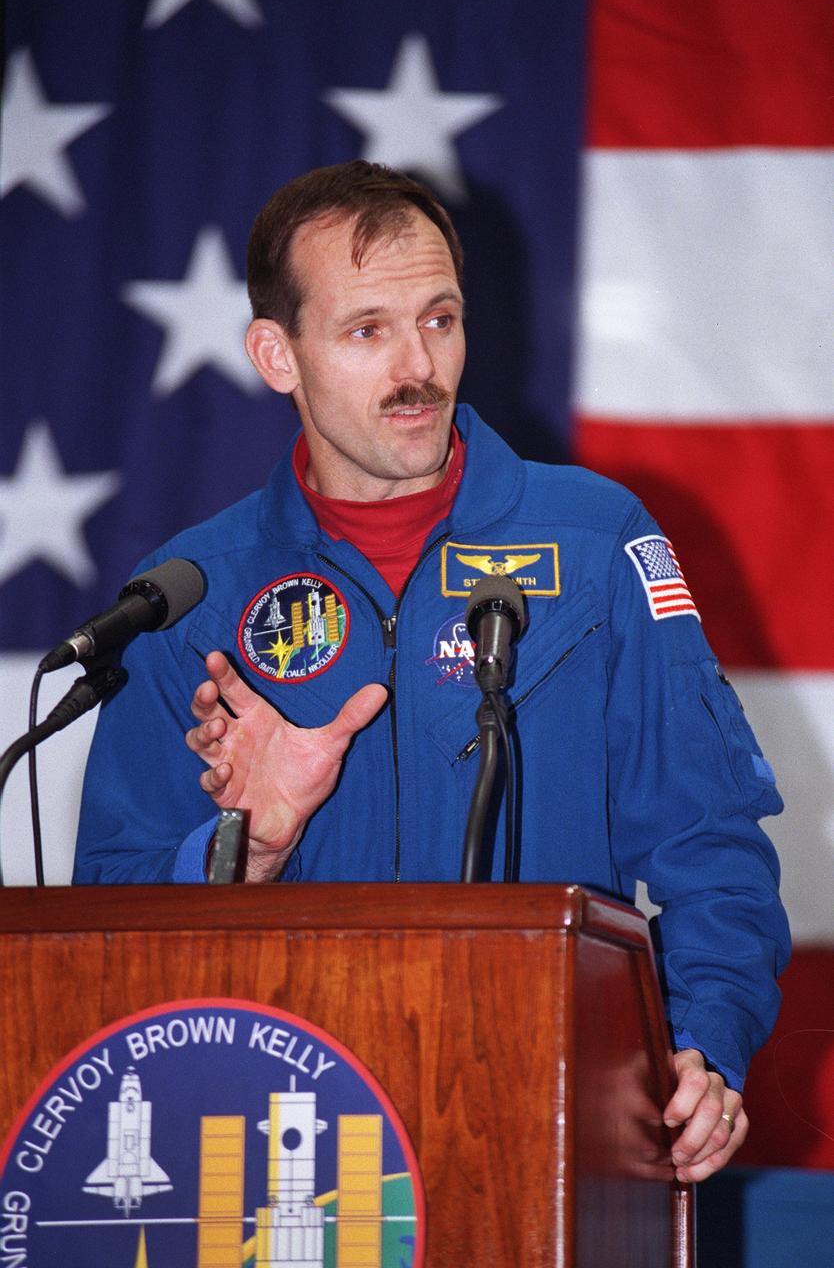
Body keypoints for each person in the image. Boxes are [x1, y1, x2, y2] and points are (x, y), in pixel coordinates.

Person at [74, 160, 790, 1184]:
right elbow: (107, 921)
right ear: (277, 354)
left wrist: (701, 1048)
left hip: (549, 1124)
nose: (420, 366)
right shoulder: (191, 596)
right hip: (286, 1141)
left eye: (440, 320)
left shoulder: (596, 543)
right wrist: (248, 846)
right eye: (368, 330)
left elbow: (708, 844)